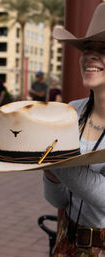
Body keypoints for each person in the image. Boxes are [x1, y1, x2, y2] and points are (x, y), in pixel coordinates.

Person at [43, 3, 105, 256]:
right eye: (87, 49)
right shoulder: (73, 110)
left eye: (103, 50)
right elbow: (59, 200)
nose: (90, 56)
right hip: (67, 243)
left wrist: (54, 159)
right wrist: (50, 173)